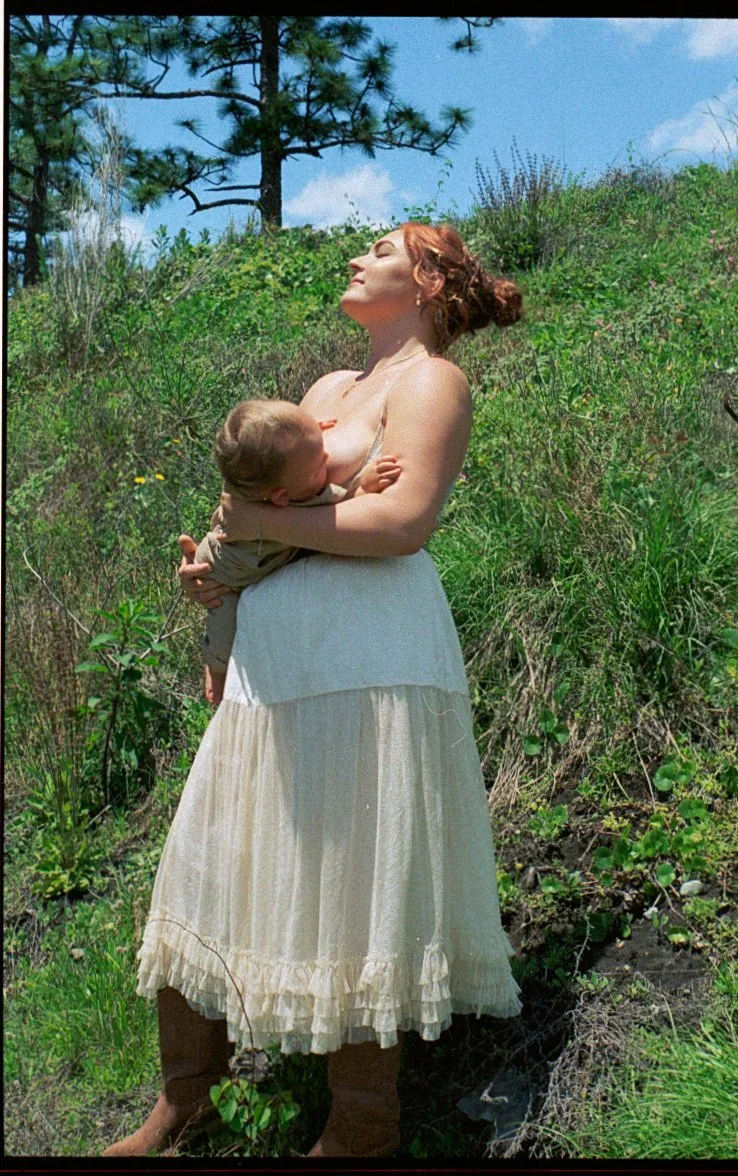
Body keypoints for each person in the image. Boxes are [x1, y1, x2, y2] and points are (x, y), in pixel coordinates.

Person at [103, 222, 525, 1160]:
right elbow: (271, 507)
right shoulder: (329, 389)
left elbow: (402, 522)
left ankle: (362, 1127)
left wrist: (255, 525)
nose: (354, 260)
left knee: (354, 882)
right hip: (276, 664)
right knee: (209, 859)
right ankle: (185, 1100)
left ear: (425, 281)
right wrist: (219, 567)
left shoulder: (432, 382)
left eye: (378, 251)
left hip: (370, 657)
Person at [196, 398, 402, 705]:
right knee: (223, 626)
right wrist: (363, 486)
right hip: (224, 573)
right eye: (318, 466)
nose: (326, 458)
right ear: (281, 497)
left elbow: (260, 441)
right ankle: (216, 668)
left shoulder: (259, 475)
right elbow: (337, 512)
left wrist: (307, 438)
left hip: (225, 545)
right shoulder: (293, 505)